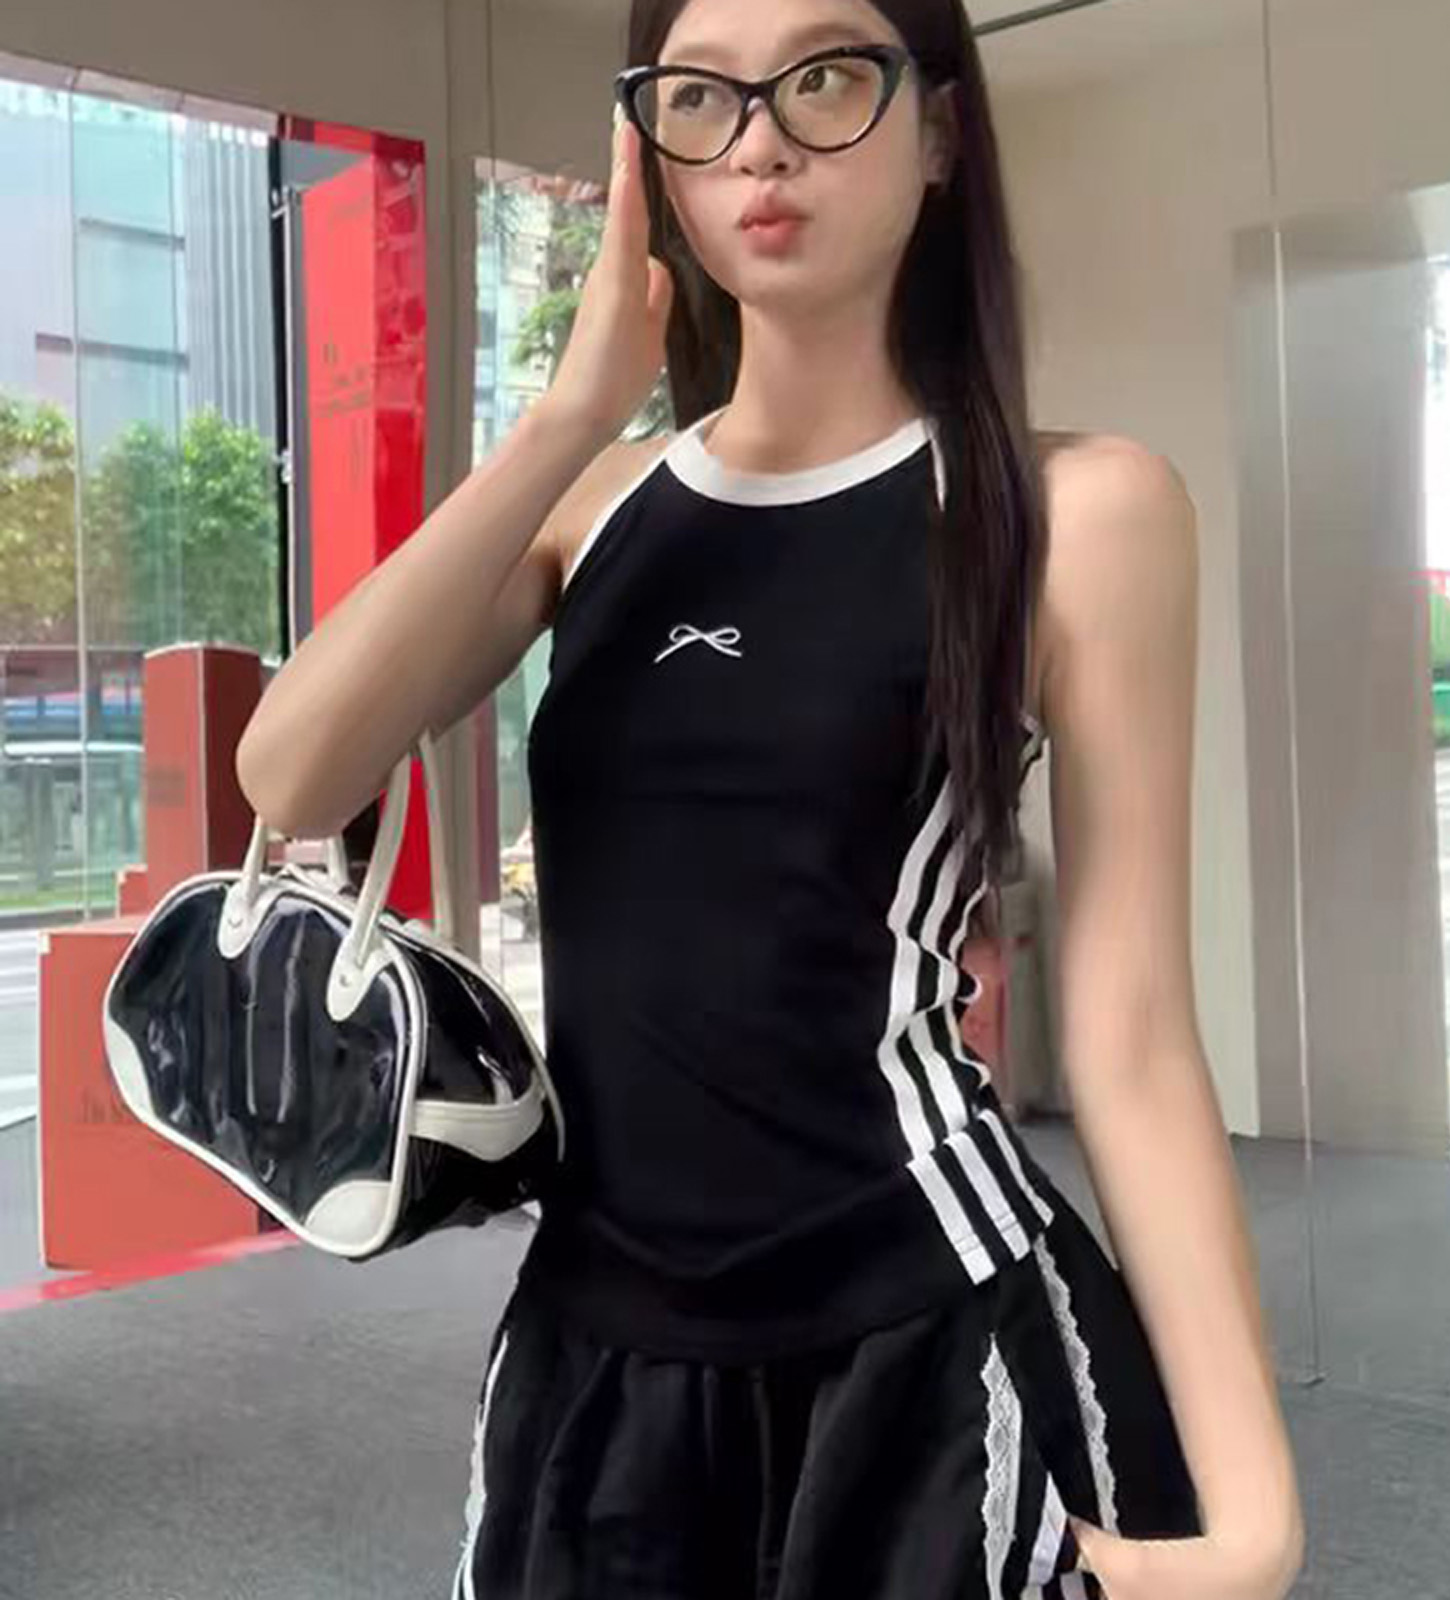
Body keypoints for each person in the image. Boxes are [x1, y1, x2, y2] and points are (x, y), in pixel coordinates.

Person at [240, 2, 1305, 1595]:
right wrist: (568, 412)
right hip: (598, 1350)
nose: (760, 144)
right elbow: (292, 771)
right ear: (650, 152)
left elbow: (1133, 1032)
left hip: (922, 1334)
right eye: (701, 98)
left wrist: (1257, 1521)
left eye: (824, 79)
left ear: (937, 131)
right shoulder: (595, 504)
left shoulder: (1071, 512)